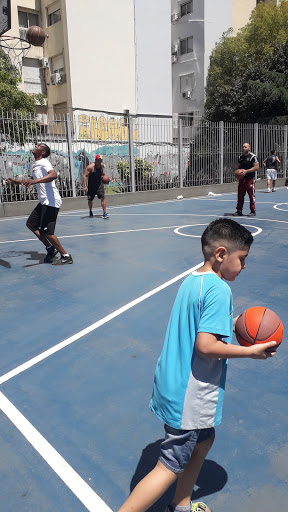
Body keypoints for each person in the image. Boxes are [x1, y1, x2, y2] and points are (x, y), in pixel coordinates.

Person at [117, 218, 277, 512]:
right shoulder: (219, 290)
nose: (243, 267)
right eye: (242, 259)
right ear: (220, 255)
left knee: (204, 440)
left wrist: (231, 324)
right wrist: (251, 351)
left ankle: (181, 503)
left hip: (172, 382)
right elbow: (206, 346)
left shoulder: (193, 280)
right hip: (189, 395)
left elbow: (196, 329)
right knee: (168, 466)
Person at [7, 143, 73, 265]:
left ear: (42, 152)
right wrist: (15, 181)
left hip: (51, 201)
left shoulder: (44, 162)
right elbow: (30, 181)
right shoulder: (36, 164)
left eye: (38, 146)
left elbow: (53, 175)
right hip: (44, 202)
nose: (35, 146)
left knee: (48, 232)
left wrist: (35, 181)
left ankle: (66, 256)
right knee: (31, 224)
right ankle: (50, 248)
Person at [233, 142, 259, 217]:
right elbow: (239, 167)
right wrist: (237, 173)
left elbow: (257, 167)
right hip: (242, 179)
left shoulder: (252, 157)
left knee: (251, 196)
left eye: (245, 147)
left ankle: (253, 210)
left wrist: (246, 171)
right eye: (243, 147)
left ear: (249, 148)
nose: (244, 148)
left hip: (250, 179)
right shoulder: (240, 157)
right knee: (240, 195)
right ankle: (239, 210)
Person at [83, 154, 109, 219]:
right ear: (95, 160)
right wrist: (85, 186)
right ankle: (90, 211)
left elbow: (102, 173)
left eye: (100, 161)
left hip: (99, 185)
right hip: (91, 186)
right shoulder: (90, 167)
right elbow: (84, 176)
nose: (99, 162)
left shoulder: (101, 166)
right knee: (90, 200)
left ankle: (104, 213)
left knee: (102, 198)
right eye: (98, 161)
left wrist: (106, 178)